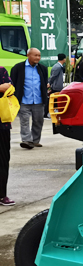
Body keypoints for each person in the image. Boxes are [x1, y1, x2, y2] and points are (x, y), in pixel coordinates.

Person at [11, 48, 48, 150]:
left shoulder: (43, 68)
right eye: (35, 55)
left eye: (39, 55)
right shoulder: (18, 68)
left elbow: (44, 83)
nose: (38, 58)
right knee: (24, 121)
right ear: (28, 55)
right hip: (24, 100)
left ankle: (35, 141)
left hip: (38, 100)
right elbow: (13, 82)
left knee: (38, 121)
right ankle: (27, 140)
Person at [0, 66, 14, 205]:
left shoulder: (1, 70)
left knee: (3, 160)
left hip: (2, 123)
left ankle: (2, 194)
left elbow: (9, 88)